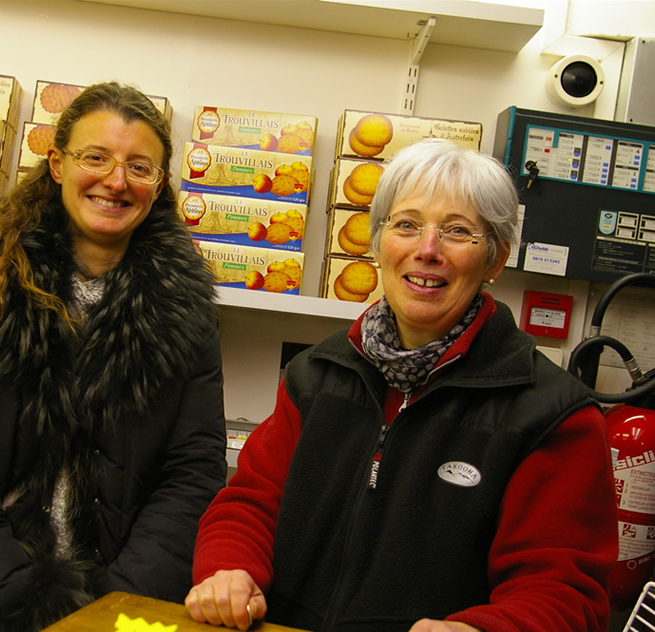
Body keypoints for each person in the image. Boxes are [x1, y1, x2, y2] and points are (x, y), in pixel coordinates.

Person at [185, 138, 618, 632]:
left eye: (457, 232)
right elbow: (251, 502)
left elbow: (565, 591)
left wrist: (482, 629)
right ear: (378, 244)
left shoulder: (551, 415)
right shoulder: (317, 375)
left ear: (495, 261)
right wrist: (228, 569)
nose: (426, 250)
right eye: (407, 225)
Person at [0, 81, 228, 632]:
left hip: (118, 611)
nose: (116, 181)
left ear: (159, 184)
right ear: (57, 164)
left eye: (139, 167)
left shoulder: (186, 313)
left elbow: (192, 474)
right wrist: (1, 601)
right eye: (95, 157)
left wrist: (113, 610)